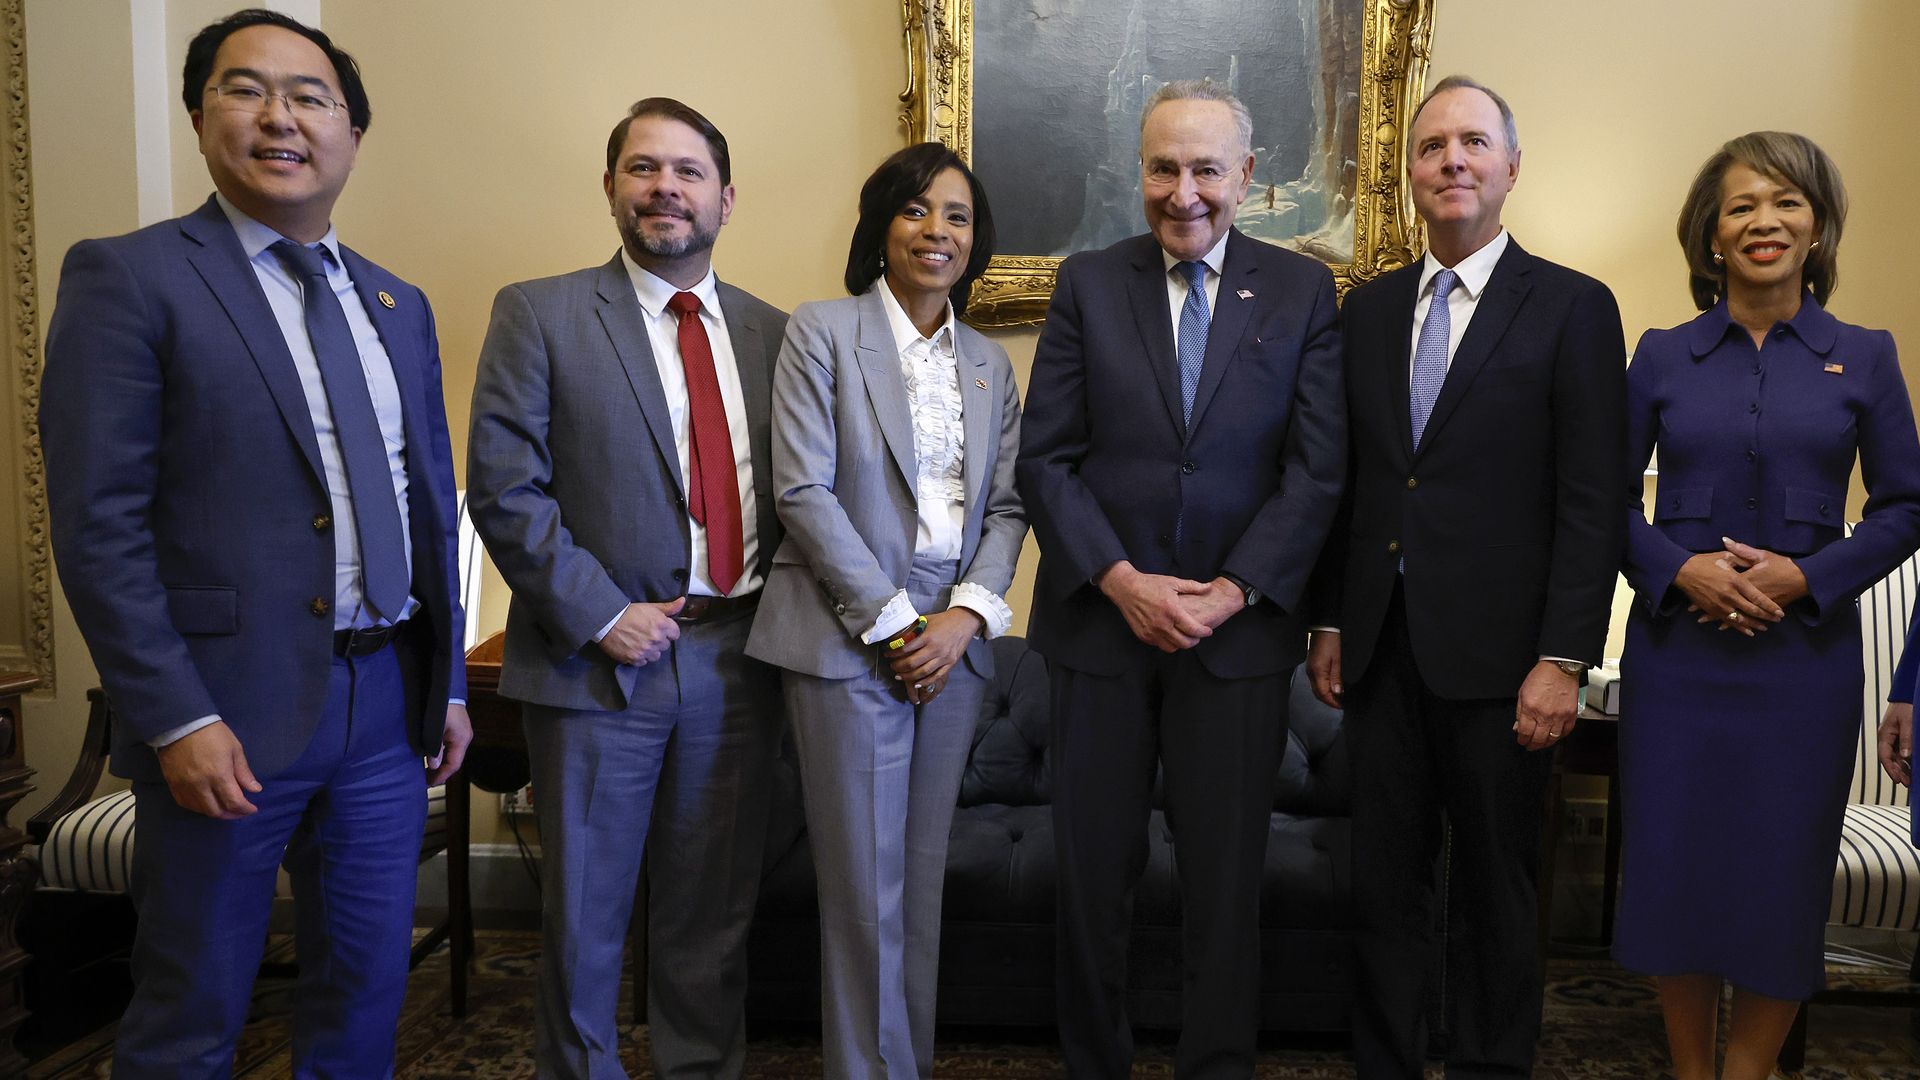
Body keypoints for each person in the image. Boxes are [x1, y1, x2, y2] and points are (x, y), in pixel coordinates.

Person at [38, 8, 470, 1074]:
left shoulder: (396, 302)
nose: (281, 116)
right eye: (247, 89)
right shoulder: (130, 278)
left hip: (384, 709)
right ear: (200, 117)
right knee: (192, 1006)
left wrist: (447, 683)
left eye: (311, 97)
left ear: (352, 135)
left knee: (365, 996)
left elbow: (426, 499)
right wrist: (175, 715)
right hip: (221, 709)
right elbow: (99, 525)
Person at [1017, 79, 1345, 1077]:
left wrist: (1235, 588)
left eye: (1208, 169)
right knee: (1093, 877)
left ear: (1248, 176)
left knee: (1223, 879)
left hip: (1235, 641)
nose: (1184, 191)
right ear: (1139, 173)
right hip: (1102, 634)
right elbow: (1047, 460)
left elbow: (1318, 467)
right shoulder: (1087, 283)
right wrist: (1123, 581)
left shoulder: (1301, 292)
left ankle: (1215, 1063)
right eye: (1165, 168)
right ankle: (1095, 1062)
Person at [1305, 75, 1626, 1078]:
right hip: (1381, 648)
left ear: (1511, 167)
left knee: (1495, 890)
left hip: (1505, 662)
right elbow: (1349, 478)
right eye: (1432, 145)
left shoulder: (1573, 307)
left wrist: (1564, 657)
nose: (1452, 160)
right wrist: (1327, 620)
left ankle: (1492, 1067)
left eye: (1473, 143)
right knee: (1383, 888)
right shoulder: (1367, 310)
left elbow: (1591, 499)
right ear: (1409, 175)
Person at [465, 98, 787, 1079]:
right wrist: (603, 613)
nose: (665, 188)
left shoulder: (778, 334)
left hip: (740, 659)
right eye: (643, 168)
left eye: (688, 172)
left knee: (711, 914)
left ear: (725, 198)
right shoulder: (542, 311)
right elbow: (504, 488)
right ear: (611, 188)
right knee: (585, 918)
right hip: (599, 662)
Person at [1614, 130, 1920, 1080]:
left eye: (1786, 202)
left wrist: (1807, 576)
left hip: (1803, 670)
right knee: (1676, 872)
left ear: (1818, 225)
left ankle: (1745, 1075)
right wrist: (1679, 570)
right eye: (1742, 204)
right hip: (1678, 662)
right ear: (1710, 234)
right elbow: (1603, 503)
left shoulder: (1865, 356)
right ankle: (1689, 1072)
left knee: (1780, 881)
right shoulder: (1661, 355)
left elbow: (1908, 505)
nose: (1764, 221)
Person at [745, 141, 1024, 1080]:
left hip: (954, 648)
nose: (935, 231)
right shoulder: (822, 331)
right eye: (914, 210)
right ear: (880, 226)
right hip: (849, 644)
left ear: (975, 240)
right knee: (863, 890)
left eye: (956, 215)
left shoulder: (990, 363)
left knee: (918, 883)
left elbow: (1009, 507)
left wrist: (964, 620)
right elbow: (802, 491)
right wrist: (899, 625)